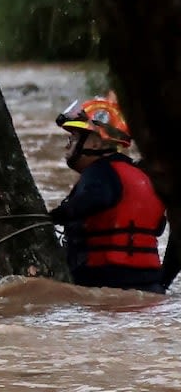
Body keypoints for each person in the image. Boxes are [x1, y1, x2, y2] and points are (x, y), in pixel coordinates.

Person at [49, 97, 169, 293]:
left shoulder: (100, 171)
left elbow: (97, 198)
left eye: (74, 138)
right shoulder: (143, 176)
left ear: (95, 144)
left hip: (106, 280)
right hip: (150, 285)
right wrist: (164, 282)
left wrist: (52, 217)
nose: (67, 145)